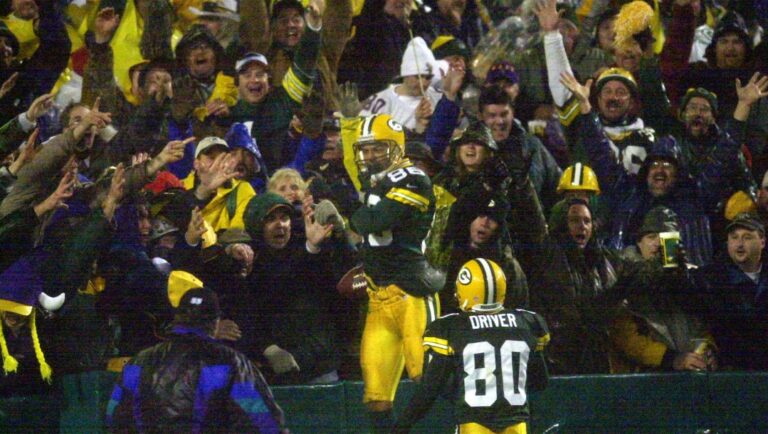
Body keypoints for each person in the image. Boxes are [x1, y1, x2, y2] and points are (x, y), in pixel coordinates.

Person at [339, 112, 443, 433]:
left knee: (429, 377)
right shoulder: (378, 178)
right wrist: (347, 126)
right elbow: (351, 164)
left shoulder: (413, 178)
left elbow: (373, 221)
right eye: (364, 150)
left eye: (376, 149)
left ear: (397, 148)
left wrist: (343, 207)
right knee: (376, 393)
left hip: (411, 292)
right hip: (378, 298)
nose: (368, 157)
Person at [106, 271, 287, 433]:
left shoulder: (140, 361)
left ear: (178, 317)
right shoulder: (230, 362)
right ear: (216, 322)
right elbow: (264, 422)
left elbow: (114, 417)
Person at [392, 258, 550, 433]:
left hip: (474, 425)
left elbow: (431, 388)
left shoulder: (451, 327)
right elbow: (540, 381)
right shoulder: (528, 322)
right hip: (517, 426)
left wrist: (402, 425)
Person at [609, 206, 716, 373]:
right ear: (639, 242)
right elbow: (626, 337)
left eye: (667, 238)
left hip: (689, 375)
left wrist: (707, 349)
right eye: (651, 237)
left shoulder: (691, 277)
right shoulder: (622, 274)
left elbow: (702, 325)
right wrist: (672, 359)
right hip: (642, 378)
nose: (659, 244)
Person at [688, 213, 768, 370]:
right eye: (734, 237)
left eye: (747, 237)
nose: (739, 244)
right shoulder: (710, 280)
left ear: (762, 242)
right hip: (732, 374)